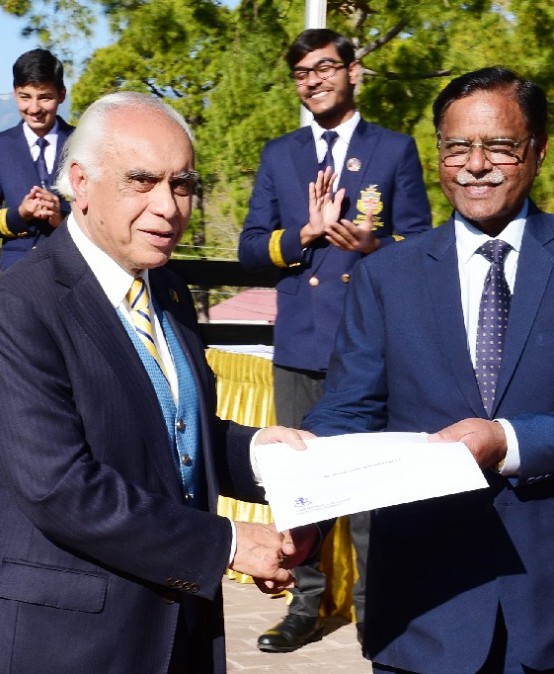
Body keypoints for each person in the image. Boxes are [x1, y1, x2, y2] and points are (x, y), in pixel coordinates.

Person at [0, 91, 319, 674]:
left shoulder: (168, 289)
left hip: (184, 632)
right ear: (81, 182)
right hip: (77, 642)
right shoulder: (20, 305)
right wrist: (227, 544)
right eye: (142, 181)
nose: (168, 207)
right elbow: (60, 487)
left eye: (182, 184)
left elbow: (169, 434)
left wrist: (257, 451)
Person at [303, 66, 554, 673]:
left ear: (539, 151)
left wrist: (509, 441)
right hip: (422, 611)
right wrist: (302, 489)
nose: (475, 165)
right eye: (457, 146)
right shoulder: (385, 275)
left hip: (545, 604)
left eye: (500, 146)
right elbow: (350, 408)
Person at [239, 28, 431, 652]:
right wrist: (304, 234)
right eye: (302, 73)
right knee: (301, 489)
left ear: (353, 72)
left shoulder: (393, 150)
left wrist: (375, 246)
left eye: (324, 68)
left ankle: (380, 611)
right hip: (300, 344)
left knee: (374, 488)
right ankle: (306, 605)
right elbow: (250, 249)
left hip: (370, 348)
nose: (313, 81)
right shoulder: (280, 154)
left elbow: (421, 244)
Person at [0, 48, 74, 271]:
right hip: (15, 273)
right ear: (15, 94)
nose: (34, 109)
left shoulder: (81, 143)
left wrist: (62, 217)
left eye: (45, 97)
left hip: (72, 267)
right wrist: (20, 214)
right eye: (25, 97)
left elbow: (102, 214)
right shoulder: (2, 146)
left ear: (61, 95)